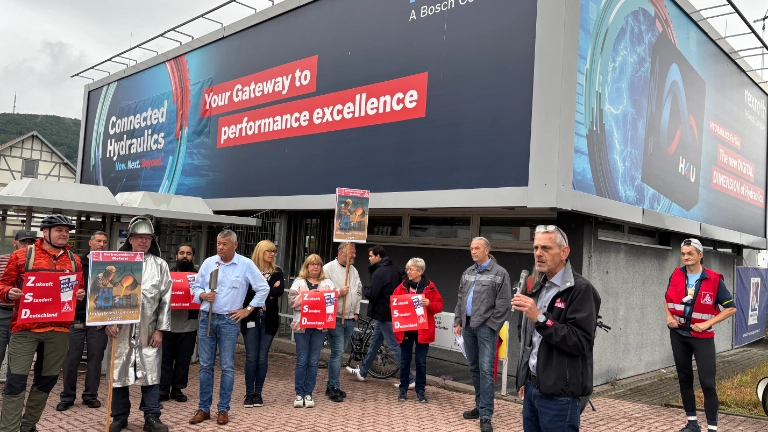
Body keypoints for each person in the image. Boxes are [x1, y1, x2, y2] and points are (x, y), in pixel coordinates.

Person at [0, 215, 85, 432]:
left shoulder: (74, 260)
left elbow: (78, 290)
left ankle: (28, 426)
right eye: (59, 230)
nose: (64, 234)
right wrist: (9, 293)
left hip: (59, 330)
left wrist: (79, 295)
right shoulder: (22, 255)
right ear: (45, 232)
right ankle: (9, 428)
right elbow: (3, 285)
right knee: (16, 380)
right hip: (25, 329)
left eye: (66, 231)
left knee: (46, 381)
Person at [513, 225, 601, 432]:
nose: (538, 253)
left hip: (560, 396)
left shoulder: (581, 290)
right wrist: (524, 378)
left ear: (564, 252)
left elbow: (580, 341)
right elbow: (529, 340)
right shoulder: (538, 286)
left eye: (546, 248)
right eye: (536, 248)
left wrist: (541, 319)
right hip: (532, 388)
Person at [189, 230, 269, 426]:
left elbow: (263, 288)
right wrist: (203, 295)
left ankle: (223, 409)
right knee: (205, 365)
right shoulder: (209, 263)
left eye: (224, 244)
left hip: (229, 320)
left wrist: (247, 310)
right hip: (207, 318)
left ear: (235, 245)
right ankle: (203, 408)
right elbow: (195, 287)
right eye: (218, 243)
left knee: (227, 366)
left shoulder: (245, 264)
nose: (220, 247)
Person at [107, 216, 172, 432]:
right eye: (139, 237)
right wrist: (105, 322)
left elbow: (165, 299)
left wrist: (160, 329)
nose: (144, 241)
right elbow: (102, 295)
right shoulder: (116, 263)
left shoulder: (160, 265)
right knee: (119, 373)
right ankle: (119, 416)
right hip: (120, 329)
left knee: (151, 373)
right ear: (130, 239)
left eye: (148, 238)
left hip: (148, 329)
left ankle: (152, 417)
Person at [665, 239, 736, 432]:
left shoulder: (714, 279)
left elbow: (731, 308)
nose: (686, 257)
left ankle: (712, 428)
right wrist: (669, 316)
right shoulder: (676, 275)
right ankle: (692, 424)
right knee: (684, 379)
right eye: (683, 253)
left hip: (702, 338)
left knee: (707, 383)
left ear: (700, 255)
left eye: (690, 253)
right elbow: (667, 299)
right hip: (678, 334)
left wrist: (707, 323)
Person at [453, 237, 512, 432]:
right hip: (468, 326)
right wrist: (458, 321)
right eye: (471, 248)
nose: (473, 251)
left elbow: (504, 304)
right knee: (474, 368)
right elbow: (460, 298)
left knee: (486, 371)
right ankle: (479, 406)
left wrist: (491, 325)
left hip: (486, 327)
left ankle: (486, 415)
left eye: (477, 248)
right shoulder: (468, 272)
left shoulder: (500, 273)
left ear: (487, 250)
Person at [57, 230, 110, 411]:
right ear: (90, 242)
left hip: (99, 320)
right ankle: (67, 396)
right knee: (71, 359)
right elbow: (64, 286)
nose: (101, 245)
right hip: (75, 318)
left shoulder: (109, 265)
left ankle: (90, 396)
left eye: (104, 242)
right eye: (98, 241)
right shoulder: (77, 262)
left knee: (96, 359)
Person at [347, 245, 414, 387]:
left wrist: (364, 289)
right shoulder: (395, 269)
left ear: (378, 257)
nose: (369, 258)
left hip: (383, 313)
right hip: (392, 311)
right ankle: (363, 372)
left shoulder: (379, 272)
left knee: (394, 346)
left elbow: (374, 293)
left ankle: (409, 379)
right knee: (374, 343)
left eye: (371, 256)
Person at [288, 254, 336, 408]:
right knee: (302, 360)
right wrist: (308, 296)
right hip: (302, 327)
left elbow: (332, 304)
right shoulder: (298, 282)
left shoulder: (328, 283)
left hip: (319, 328)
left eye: (318, 264)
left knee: (314, 361)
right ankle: (299, 393)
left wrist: (321, 297)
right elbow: (291, 302)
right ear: (306, 266)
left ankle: (308, 393)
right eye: (312, 264)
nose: (315, 267)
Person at [392, 258, 443, 403]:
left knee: (421, 362)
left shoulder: (430, 287)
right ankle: (403, 390)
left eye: (411, 269)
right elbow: (393, 304)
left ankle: (420, 391)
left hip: (422, 331)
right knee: (404, 361)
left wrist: (429, 304)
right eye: (407, 269)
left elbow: (439, 305)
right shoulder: (402, 287)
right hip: (406, 330)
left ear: (420, 271)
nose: (408, 272)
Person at [241, 240, 285, 408]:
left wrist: (259, 289)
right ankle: (249, 393)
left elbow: (279, 292)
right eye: (269, 251)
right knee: (251, 356)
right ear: (260, 251)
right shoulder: (248, 269)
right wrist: (268, 289)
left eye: (274, 251)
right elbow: (245, 293)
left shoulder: (277, 271)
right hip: (250, 318)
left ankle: (258, 393)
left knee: (262, 356)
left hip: (269, 319)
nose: (272, 254)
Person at [322, 242, 362, 402]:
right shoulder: (328, 269)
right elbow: (323, 292)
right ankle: (333, 386)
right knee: (338, 352)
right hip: (336, 317)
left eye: (354, 252)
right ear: (341, 253)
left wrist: (357, 311)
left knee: (339, 352)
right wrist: (338, 292)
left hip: (350, 318)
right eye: (352, 252)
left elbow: (358, 291)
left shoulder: (353, 270)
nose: (354, 255)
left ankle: (331, 385)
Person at [159, 244, 199, 403]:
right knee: (165, 359)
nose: (185, 256)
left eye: (188, 253)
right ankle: (163, 389)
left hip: (189, 325)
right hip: (168, 324)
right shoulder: (167, 275)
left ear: (193, 257)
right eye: (182, 253)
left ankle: (177, 389)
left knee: (183, 360)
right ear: (176, 256)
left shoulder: (198, 277)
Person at [0, 230, 37, 384]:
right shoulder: (2, 260)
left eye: (31, 242)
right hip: (3, 313)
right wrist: (7, 292)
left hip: (24, 316)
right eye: (23, 242)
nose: (27, 246)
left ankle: (11, 389)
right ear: (14, 243)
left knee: (18, 358)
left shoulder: (38, 264)